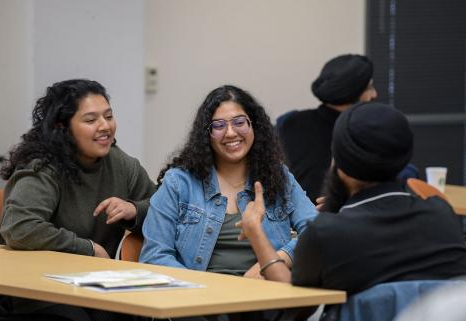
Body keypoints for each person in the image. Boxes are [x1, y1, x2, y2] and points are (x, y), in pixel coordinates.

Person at [239, 102, 466, 319]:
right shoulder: (443, 214)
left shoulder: (327, 233)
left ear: (341, 168)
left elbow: (294, 301)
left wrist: (255, 233)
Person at [0, 79, 156, 321]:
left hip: (94, 286)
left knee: (135, 314)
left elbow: (167, 209)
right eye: (91, 120)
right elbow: (19, 226)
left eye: (109, 116)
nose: (105, 126)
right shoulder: (44, 167)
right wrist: (88, 249)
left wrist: (134, 209)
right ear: (63, 127)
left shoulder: (121, 163)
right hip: (36, 289)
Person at [139, 85, 317, 280]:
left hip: (267, 295)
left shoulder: (277, 176)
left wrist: (272, 262)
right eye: (218, 125)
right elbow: (154, 256)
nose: (230, 133)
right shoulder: (179, 182)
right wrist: (205, 288)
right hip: (200, 300)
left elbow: (315, 230)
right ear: (206, 134)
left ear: (253, 125)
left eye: (239, 122)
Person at [276, 54, 377, 203]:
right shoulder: (361, 134)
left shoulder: (291, 122)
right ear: (353, 93)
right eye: (369, 88)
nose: (374, 94)